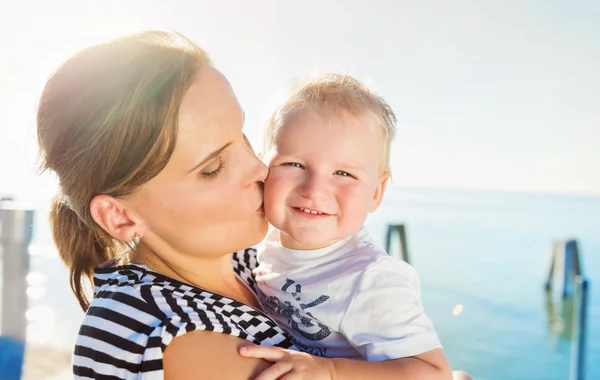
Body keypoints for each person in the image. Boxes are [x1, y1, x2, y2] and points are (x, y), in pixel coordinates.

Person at [37, 30, 470, 380]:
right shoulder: (174, 338)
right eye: (212, 167)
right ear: (121, 215)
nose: (262, 169)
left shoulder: (244, 261)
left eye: (243, 137)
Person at [246, 74, 449, 376]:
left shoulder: (369, 279)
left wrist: (330, 372)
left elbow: (433, 373)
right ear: (262, 167)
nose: (315, 189)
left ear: (376, 193)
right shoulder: (261, 243)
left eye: (343, 173)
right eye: (294, 164)